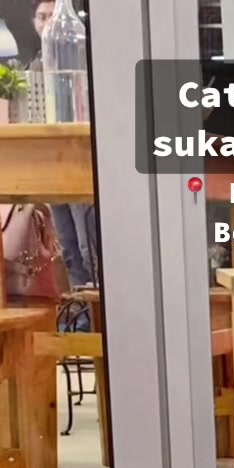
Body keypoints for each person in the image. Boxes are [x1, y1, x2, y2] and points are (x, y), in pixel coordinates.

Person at [31, 0, 96, 288]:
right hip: (50, 163)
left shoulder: (80, 59)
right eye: (41, 16)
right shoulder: (34, 69)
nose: (47, 22)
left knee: (87, 246)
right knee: (68, 250)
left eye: (51, 15)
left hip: (78, 159)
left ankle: (100, 306)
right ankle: (81, 309)